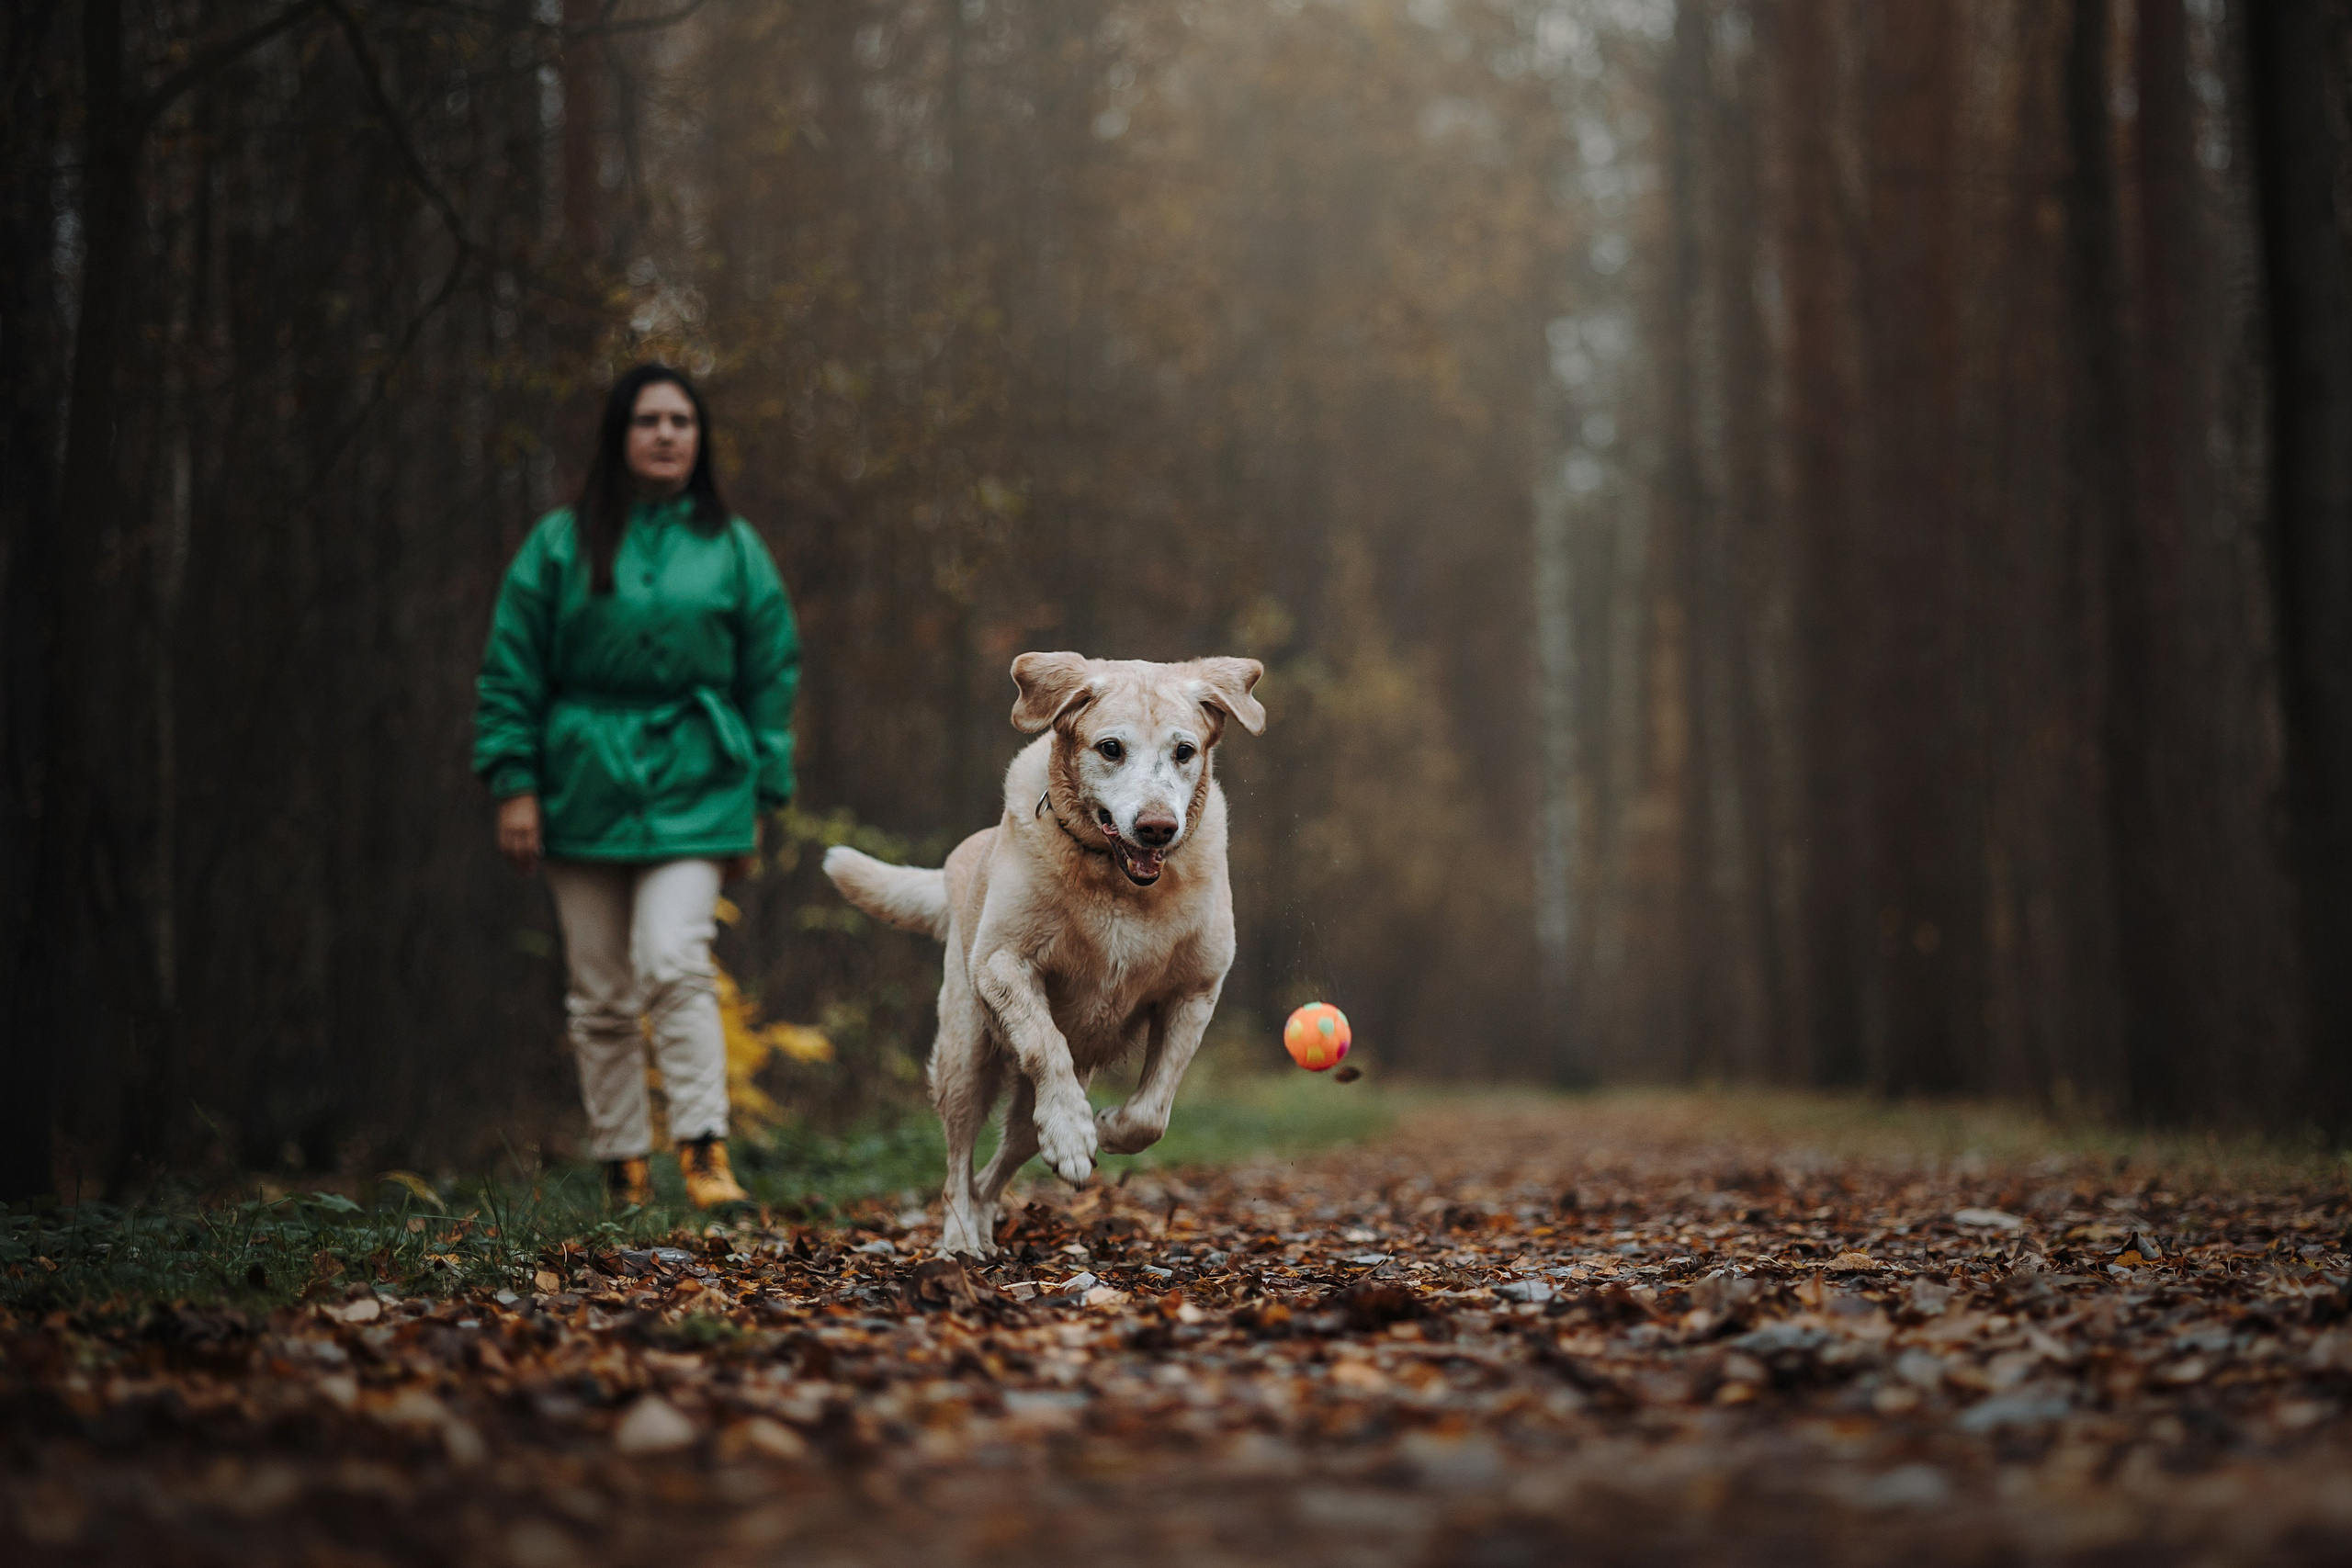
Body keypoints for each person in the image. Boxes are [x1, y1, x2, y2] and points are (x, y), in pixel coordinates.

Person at [473, 364, 799, 1210]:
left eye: (681, 421)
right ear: (620, 435)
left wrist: (763, 794)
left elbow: (770, 675)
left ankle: (703, 1152)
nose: (665, 434)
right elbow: (511, 667)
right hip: (580, 779)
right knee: (600, 991)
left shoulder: (735, 546)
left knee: (672, 956)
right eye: (649, 420)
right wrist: (515, 783)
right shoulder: (558, 543)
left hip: (702, 777)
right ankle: (622, 1164)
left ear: (700, 439)